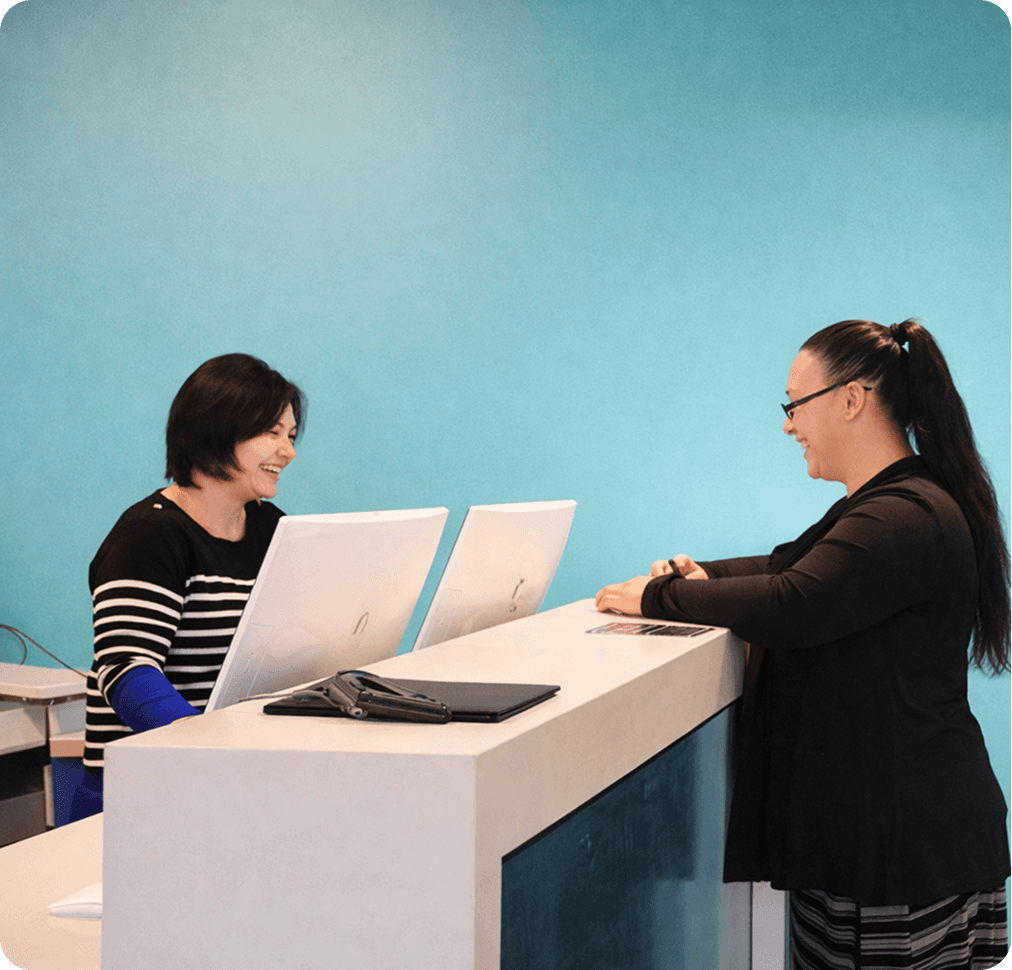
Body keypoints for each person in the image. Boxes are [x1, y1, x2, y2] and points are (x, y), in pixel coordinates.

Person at [596, 319, 1010, 970]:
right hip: (893, 838)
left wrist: (657, 598)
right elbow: (788, 565)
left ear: (851, 399)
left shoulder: (903, 514)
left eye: (795, 405)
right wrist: (700, 575)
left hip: (901, 856)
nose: (789, 426)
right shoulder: (887, 505)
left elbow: (793, 602)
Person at [70, 353, 306, 822]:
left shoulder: (271, 528)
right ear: (217, 429)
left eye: (291, 436)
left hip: (238, 785)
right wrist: (206, 747)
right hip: (146, 796)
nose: (288, 451)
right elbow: (126, 669)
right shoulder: (149, 535)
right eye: (272, 433)